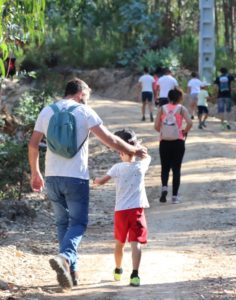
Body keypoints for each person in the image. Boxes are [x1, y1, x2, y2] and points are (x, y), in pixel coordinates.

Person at [28, 78, 147, 290]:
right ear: (81, 94)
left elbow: (33, 144)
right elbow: (110, 139)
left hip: (52, 177)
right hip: (76, 178)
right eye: (87, 97)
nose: (87, 100)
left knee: (62, 223)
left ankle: (71, 271)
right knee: (78, 223)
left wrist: (35, 172)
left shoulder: (47, 111)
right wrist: (132, 151)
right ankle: (65, 257)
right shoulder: (84, 111)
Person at [93, 128, 150, 287]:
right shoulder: (141, 166)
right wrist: (137, 146)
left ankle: (118, 269)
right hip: (137, 211)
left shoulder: (117, 168)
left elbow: (102, 181)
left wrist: (95, 181)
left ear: (120, 151)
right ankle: (135, 274)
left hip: (121, 212)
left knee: (119, 243)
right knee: (136, 243)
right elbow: (146, 154)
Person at [154, 89, 193, 204]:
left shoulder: (162, 108)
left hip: (164, 142)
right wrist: (184, 131)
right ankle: (174, 197)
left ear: (169, 97)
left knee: (165, 167)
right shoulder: (181, 109)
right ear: (180, 98)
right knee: (176, 169)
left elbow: (156, 126)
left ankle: (164, 187)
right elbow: (190, 123)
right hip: (178, 141)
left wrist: (163, 131)